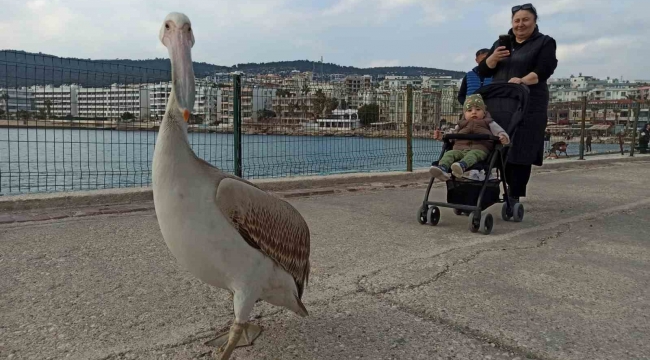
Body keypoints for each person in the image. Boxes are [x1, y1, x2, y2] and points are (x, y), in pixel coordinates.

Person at [477, 3, 557, 204]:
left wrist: (522, 80)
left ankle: (514, 194)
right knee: (497, 145)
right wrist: (492, 58)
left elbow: (545, 69)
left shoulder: (544, 42)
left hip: (529, 102)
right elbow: (484, 71)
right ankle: (493, 187)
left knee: (521, 147)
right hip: (500, 102)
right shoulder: (501, 43)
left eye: (525, 20)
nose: (520, 24)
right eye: (516, 20)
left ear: (534, 21)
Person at [430, 94, 510, 181]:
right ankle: (443, 168)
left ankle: (462, 165)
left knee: (472, 155)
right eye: (469, 110)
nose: (474, 112)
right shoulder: (461, 124)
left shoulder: (488, 122)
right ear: (464, 114)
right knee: (449, 154)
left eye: (478, 109)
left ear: (484, 112)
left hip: (479, 150)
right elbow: (451, 134)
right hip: (459, 150)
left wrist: (503, 137)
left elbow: (500, 131)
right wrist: (442, 137)